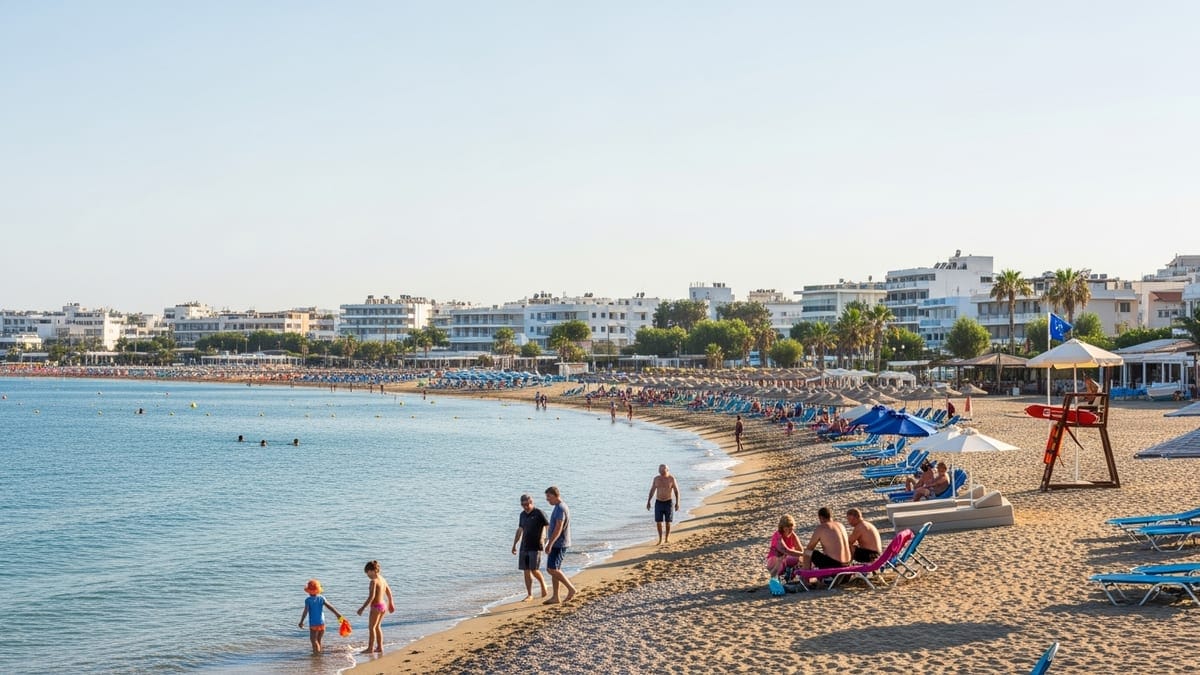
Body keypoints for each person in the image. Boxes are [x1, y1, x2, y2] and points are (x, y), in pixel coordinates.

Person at [511, 493, 549, 601]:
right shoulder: (522, 515)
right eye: (523, 505)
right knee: (526, 570)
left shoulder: (539, 513)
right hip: (524, 546)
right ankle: (529, 594)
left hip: (536, 545)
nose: (526, 507)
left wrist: (546, 540)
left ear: (531, 502)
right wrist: (514, 545)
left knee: (534, 569)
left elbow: (547, 526)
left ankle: (543, 584)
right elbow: (519, 530)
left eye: (527, 504)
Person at [543, 486, 577, 604]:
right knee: (554, 569)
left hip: (559, 544)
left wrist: (550, 544)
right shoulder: (558, 507)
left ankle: (571, 589)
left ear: (555, 495)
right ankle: (556, 597)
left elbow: (558, 528)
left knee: (552, 569)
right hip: (558, 543)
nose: (547, 500)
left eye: (549, 497)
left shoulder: (561, 508)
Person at [356, 560, 394, 654]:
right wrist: (391, 603)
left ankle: (370, 648)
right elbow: (388, 591)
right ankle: (380, 647)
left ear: (372, 571)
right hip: (383, 606)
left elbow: (371, 596)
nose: (367, 575)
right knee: (377, 627)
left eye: (367, 573)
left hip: (376, 607)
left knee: (371, 627)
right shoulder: (382, 579)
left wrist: (362, 608)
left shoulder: (373, 581)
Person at [299, 579, 343, 655]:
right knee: (318, 639)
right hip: (322, 623)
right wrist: (338, 615)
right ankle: (319, 653)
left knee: (313, 640)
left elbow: (305, 612)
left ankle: (317, 655)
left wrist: (301, 621)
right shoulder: (322, 598)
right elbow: (330, 607)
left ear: (309, 591)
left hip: (314, 623)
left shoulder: (308, 600)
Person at [646, 464, 680, 545]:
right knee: (658, 522)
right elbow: (652, 490)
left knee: (668, 522)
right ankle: (660, 539)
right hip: (659, 502)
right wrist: (648, 501)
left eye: (663, 471)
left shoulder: (671, 479)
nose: (661, 472)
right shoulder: (656, 479)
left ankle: (667, 538)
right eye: (660, 471)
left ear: (667, 470)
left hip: (668, 502)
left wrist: (677, 503)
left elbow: (676, 491)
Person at [765, 514, 806, 579]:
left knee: (802, 559)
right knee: (787, 559)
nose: (790, 531)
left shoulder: (792, 534)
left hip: (785, 559)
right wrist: (805, 554)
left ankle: (793, 574)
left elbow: (800, 549)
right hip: (774, 561)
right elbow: (786, 551)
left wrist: (803, 555)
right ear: (783, 528)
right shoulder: (778, 535)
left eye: (792, 529)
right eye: (788, 529)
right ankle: (788, 573)